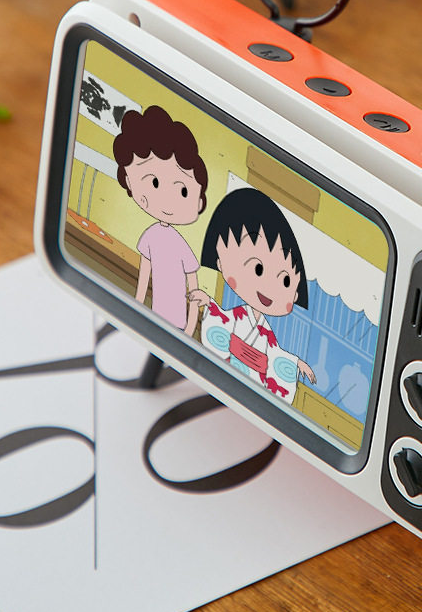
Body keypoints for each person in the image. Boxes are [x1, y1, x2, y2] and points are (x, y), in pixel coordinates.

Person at [199, 187, 315, 404]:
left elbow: (275, 353)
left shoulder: (265, 330)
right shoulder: (239, 315)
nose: (269, 287)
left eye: (285, 281)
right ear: (221, 261)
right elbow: (223, 320)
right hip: (232, 363)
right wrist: (209, 303)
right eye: (258, 269)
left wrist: (296, 363)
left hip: (255, 377)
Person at [113, 105, 209, 336]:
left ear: (198, 203)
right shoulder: (150, 236)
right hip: (156, 313)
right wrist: (137, 305)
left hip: (178, 322)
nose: (167, 201)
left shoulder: (180, 245)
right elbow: (144, 273)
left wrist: (189, 329)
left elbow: (193, 288)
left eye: (183, 191)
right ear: (129, 180)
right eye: (154, 182)